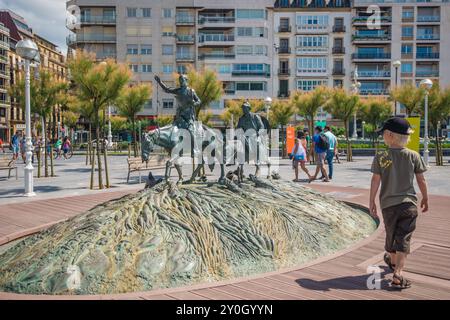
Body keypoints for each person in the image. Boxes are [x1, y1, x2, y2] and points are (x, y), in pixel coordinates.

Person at [369, 117, 428, 290]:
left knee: (392, 235)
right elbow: (421, 180)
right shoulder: (413, 156)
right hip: (409, 205)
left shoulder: (381, 156)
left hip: (388, 206)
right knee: (404, 238)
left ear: (389, 135)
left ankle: (393, 262)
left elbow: (375, 180)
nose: (382, 137)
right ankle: (398, 272)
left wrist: (371, 200)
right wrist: (425, 197)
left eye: (383, 135)